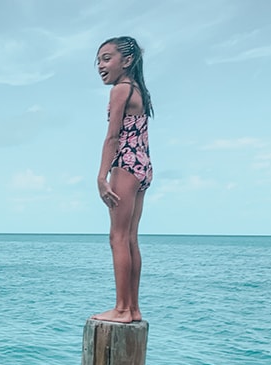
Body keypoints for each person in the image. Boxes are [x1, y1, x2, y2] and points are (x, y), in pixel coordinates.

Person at [92, 36, 153, 324]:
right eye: (99, 60)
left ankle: (121, 309)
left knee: (117, 237)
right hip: (142, 165)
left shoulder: (120, 90)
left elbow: (113, 137)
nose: (100, 66)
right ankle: (133, 308)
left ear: (126, 61)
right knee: (130, 238)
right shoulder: (139, 89)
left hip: (125, 165)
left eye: (107, 58)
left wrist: (102, 176)